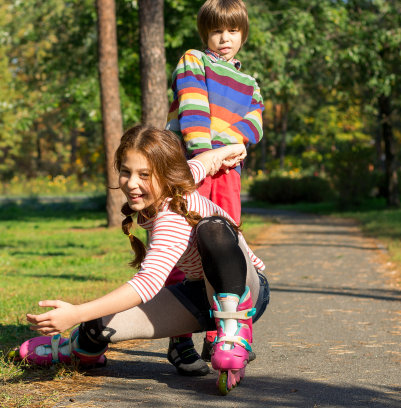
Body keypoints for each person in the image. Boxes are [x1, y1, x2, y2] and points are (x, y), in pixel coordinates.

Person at [20, 125, 269, 395]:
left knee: (213, 229)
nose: (132, 183)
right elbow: (202, 164)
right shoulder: (176, 180)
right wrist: (228, 151)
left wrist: (75, 312)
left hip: (246, 288)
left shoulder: (171, 218)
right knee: (96, 324)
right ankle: (78, 350)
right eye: (126, 172)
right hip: (200, 295)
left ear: (165, 175)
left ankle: (233, 332)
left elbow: (148, 283)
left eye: (144, 175)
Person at [164, 0, 265, 375]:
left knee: (225, 244)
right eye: (217, 31)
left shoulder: (250, 83)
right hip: (191, 167)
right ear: (205, 33)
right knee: (182, 243)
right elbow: (193, 112)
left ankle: (220, 331)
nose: (225, 38)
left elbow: (253, 124)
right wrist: (205, 157)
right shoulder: (195, 61)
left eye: (233, 31)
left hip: (228, 175)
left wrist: (233, 146)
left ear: (243, 34)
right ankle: (179, 340)